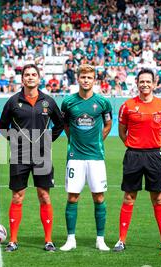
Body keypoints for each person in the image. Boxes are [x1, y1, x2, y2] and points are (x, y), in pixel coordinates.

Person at [0, 64, 64, 252]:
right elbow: (3, 126)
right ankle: (12, 240)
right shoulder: (13, 101)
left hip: (42, 154)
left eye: (33, 74)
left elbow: (59, 124)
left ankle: (49, 240)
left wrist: (48, 139)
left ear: (39, 78)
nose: (30, 77)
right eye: (26, 75)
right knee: (18, 197)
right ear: (22, 79)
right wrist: (15, 140)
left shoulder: (48, 102)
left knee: (44, 196)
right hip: (20, 155)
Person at [114, 68, 161, 253]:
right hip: (133, 155)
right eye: (142, 81)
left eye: (148, 81)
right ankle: (121, 240)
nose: (145, 84)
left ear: (154, 84)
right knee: (129, 197)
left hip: (154, 156)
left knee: (157, 197)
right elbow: (122, 131)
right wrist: (133, 145)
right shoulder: (128, 105)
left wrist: (155, 144)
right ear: (137, 83)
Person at [59, 64, 113, 252]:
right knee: (73, 197)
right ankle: (70, 239)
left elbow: (108, 123)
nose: (86, 80)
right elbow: (65, 124)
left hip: (96, 157)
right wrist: (73, 140)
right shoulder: (68, 102)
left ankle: (100, 239)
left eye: (89, 78)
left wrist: (99, 139)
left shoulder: (103, 102)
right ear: (78, 79)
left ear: (94, 80)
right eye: (83, 77)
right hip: (75, 156)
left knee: (99, 197)